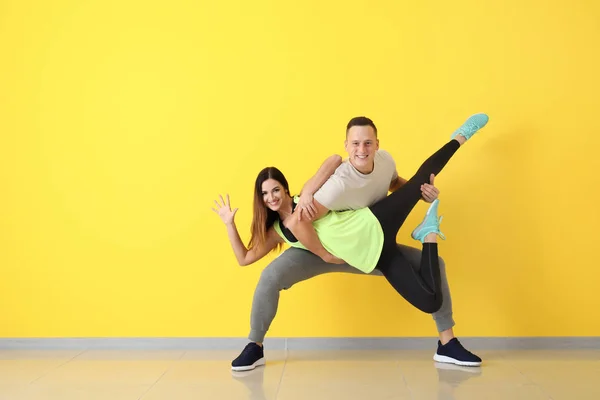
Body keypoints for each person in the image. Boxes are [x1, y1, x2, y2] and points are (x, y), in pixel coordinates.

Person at [213, 114, 489, 371]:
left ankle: (447, 343)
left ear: (286, 189)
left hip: (359, 244)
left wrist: (308, 193)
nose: (272, 197)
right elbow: (245, 258)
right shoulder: (275, 230)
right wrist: (229, 225)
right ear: (260, 200)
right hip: (321, 254)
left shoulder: (312, 200)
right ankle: (254, 345)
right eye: (265, 194)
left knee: (433, 264)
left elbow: (332, 162)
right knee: (270, 275)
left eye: (276, 190)